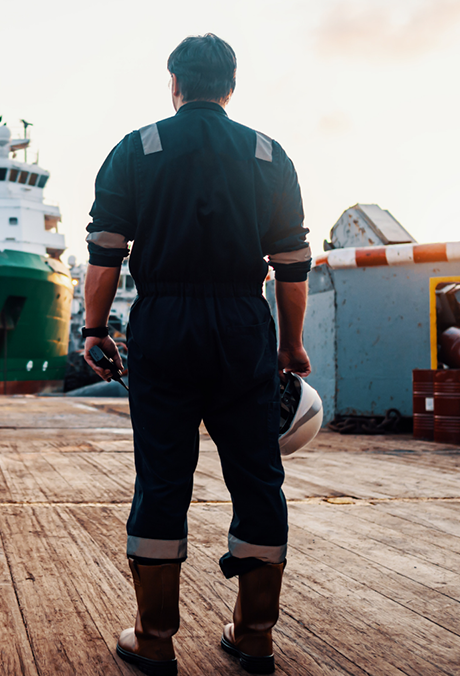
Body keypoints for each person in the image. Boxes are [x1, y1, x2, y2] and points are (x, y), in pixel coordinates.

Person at [82, 33, 312, 676]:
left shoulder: (137, 149)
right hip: (244, 322)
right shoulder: (269, 154)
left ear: (175, 84)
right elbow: (291, 264)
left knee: (162, 477)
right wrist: (290, 345)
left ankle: (154, 638)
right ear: (230, 88)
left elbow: (106, 251)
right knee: (259, 475)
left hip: (164, 322)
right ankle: (255, 634)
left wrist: (94, 330)